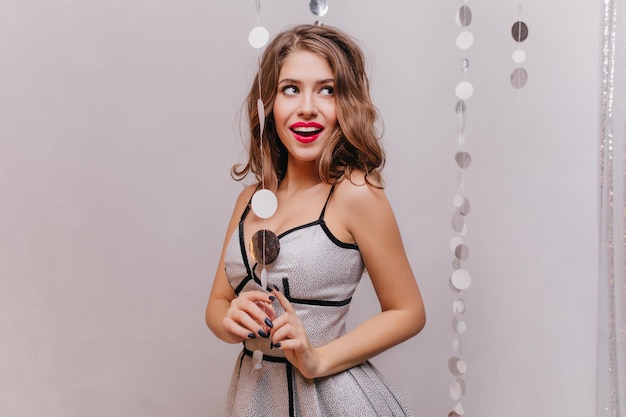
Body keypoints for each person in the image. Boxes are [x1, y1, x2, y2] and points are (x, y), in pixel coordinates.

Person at [205, 23, 426, 417]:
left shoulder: (356, 193)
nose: (308, 106)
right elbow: (218, 302)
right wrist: (229, 320)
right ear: (268, 102)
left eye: (328, 89)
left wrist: (317, 359)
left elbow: (408, 312)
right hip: (253, 398)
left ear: (348, 104)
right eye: (291, 88)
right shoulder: (250, 199)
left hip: (332, 400)